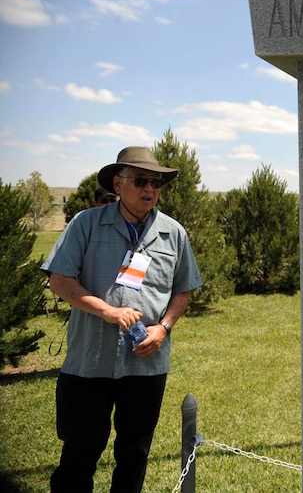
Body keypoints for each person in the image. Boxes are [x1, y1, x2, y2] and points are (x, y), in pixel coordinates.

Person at [43, 147, 203, 492]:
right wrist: (109, 311)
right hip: (90, 362)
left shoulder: (173, 233)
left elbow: (183, 291)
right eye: (141, 180)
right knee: (79, 454)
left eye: (156, 183)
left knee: (134, 454)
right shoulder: (86, 223)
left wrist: (164, 328)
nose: (150, 189)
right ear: (118, 183)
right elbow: (60, 281)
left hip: (146, 366)